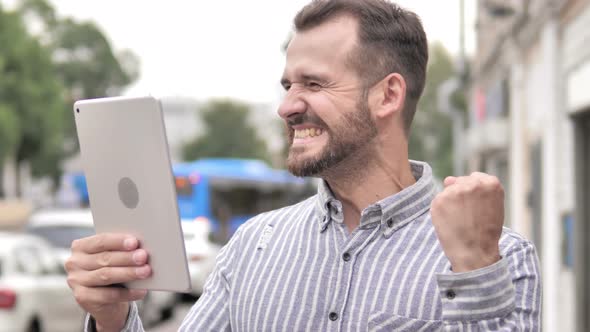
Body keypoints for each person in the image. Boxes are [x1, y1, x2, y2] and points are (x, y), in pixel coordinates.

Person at [65, 0, 541, 331]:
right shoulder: (253, 246)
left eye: (313, 84)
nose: (287, 107)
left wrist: (474, 270)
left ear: (388, 95)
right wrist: (112, 321)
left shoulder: (502, 258)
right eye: (287, 85)